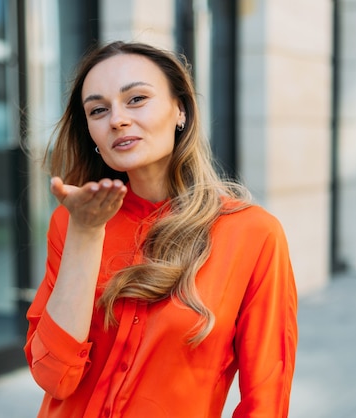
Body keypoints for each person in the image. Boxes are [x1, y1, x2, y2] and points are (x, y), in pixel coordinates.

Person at [24, 41, 298, 418]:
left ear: (180, 110)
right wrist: (86, 234)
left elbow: (266, 397)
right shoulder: (73, 223)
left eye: (136, 99)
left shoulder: (253, 234)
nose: (117, 119)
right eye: (98, 110)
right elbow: (54, 376)